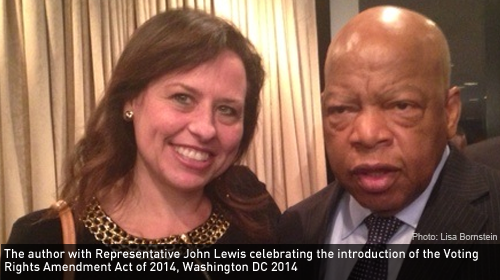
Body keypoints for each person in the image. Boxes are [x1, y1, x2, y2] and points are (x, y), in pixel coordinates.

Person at [7, 8, 280, 246]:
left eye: (227, 110)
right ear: (130, 99)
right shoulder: (44, 239)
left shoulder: (254, 211)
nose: (205, 128)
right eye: (182, 98)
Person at [278, 5, 500, 280]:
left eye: (401, 105)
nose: (367, 134)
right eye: (341, 109)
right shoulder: (295, 227)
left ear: (449, 113)